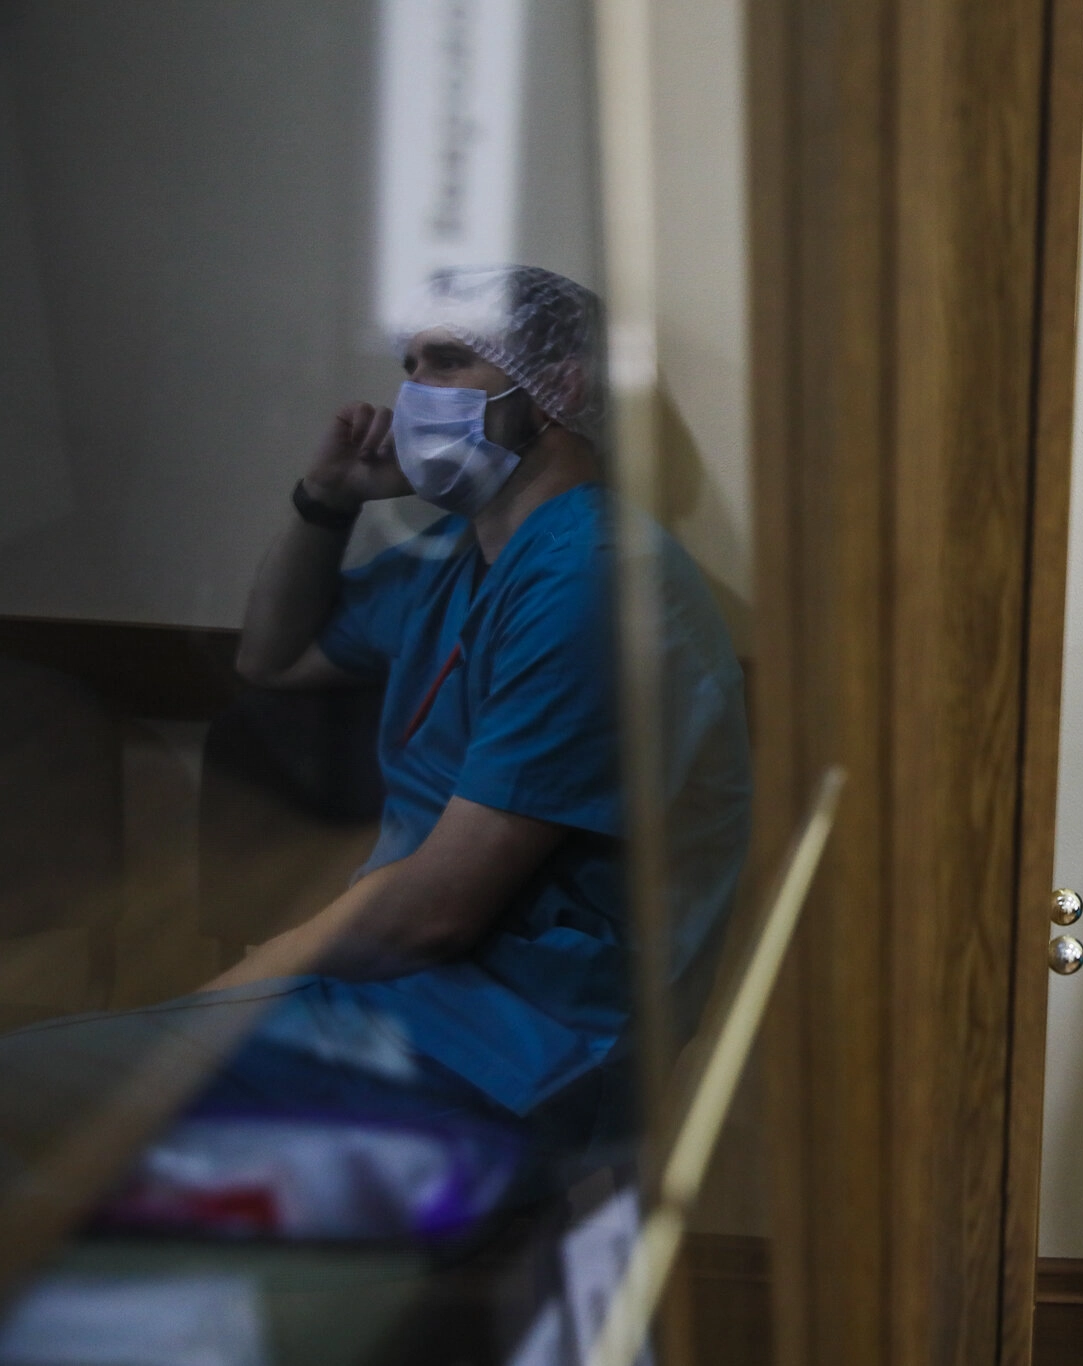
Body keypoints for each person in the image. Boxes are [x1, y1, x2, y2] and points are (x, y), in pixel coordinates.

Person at [208, 263, 750, 1152]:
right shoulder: (456, 558)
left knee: (115, 1120)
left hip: (532, 1029)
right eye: (410, 365)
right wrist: (327, 502)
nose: (413, 393)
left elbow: (438, 911)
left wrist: (245, 986)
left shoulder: (593, 575)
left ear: (556, 389)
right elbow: (273, 658)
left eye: (448, 361)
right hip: (416, 982)